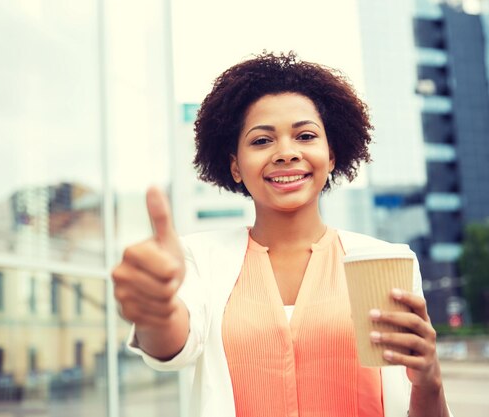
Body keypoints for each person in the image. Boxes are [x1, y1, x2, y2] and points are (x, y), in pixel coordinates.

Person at [111, 51, 452, 417]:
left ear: (332, 154)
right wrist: (155, 312)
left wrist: (429, 379)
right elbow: (173, 346)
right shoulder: (199, 258)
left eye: (305, 135)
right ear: (235, 166)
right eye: (261, 141)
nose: (286, 153)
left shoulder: (386, 262)